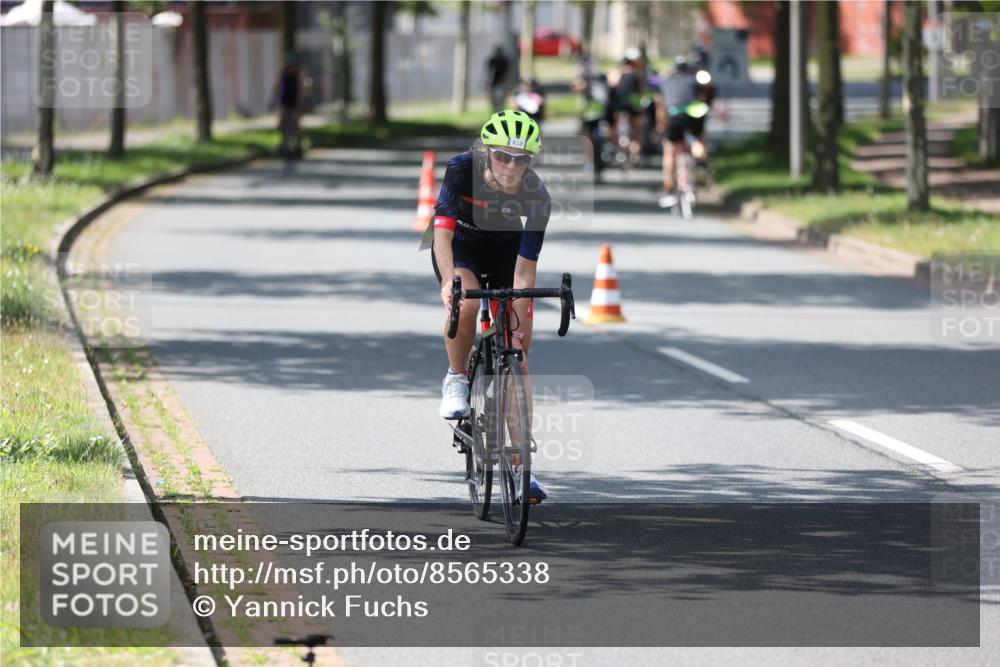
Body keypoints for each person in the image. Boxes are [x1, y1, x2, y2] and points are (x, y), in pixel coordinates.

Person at [430, 109, 550, 503]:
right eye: (502, 156)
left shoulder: (537, 196)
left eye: (520, 159)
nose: (511, 167)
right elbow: (442, 237)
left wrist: (518, 328)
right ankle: (456, 377)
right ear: (487, 152)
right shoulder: (461, 169)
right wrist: (448, 281)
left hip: (505, 255)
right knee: (465, 303)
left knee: (518, 354)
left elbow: (525, 272)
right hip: (461, 249)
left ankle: (520, 465)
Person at [655, 56, 707, 209]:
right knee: (697, 139)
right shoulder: (694, 81)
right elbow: (702, 99)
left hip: (675, 114)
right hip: (695, 113)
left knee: (670, 150)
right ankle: (701, 165)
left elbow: (661, 107)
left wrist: (661, 124)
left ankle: (668, 191)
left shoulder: (665, 82)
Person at [609, 47, 646, 164]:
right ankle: (635, 154)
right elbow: (641, 91)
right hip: (631, 106)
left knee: (615, 127)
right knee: (636, 131)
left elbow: (611, 87)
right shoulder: (637, 74)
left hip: (618, 106)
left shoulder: (616, 73)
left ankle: (620, 148)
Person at [272, 53, 304, 156]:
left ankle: (299, 145)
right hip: (285, 100)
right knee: (281, 121)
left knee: (296, 122)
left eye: (293, 66)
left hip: (295, 101)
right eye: (290, 66)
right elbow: (277, 87)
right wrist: (274, 100)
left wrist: (299, 105)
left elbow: (301, 90)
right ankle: (284, 142)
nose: (291, 68)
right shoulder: (283, 74)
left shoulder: (298, 75)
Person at [485, 46, 511, 111]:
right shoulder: (492, 61)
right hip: (493, 83)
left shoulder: (504, 61)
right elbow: (489, 72)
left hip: (502, 82)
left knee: (501, 98)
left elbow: (507, 72)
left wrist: (505, 80)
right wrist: (488, 82)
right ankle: (495, 109)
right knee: (493, 98)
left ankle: (500, 109)